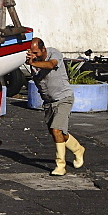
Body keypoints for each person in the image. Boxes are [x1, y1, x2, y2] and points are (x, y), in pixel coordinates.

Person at [27, 38, 86, 176]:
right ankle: (78, 149)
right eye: (31, 53)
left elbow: (51, 65)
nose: (34, 55)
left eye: (36, 52)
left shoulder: (54, 54)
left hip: (63, 98)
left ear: (43, 49)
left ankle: (60, 165)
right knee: (60, 134)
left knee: (56, 130)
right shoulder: (33, 63)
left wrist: (34, 62)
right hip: (49, 103)